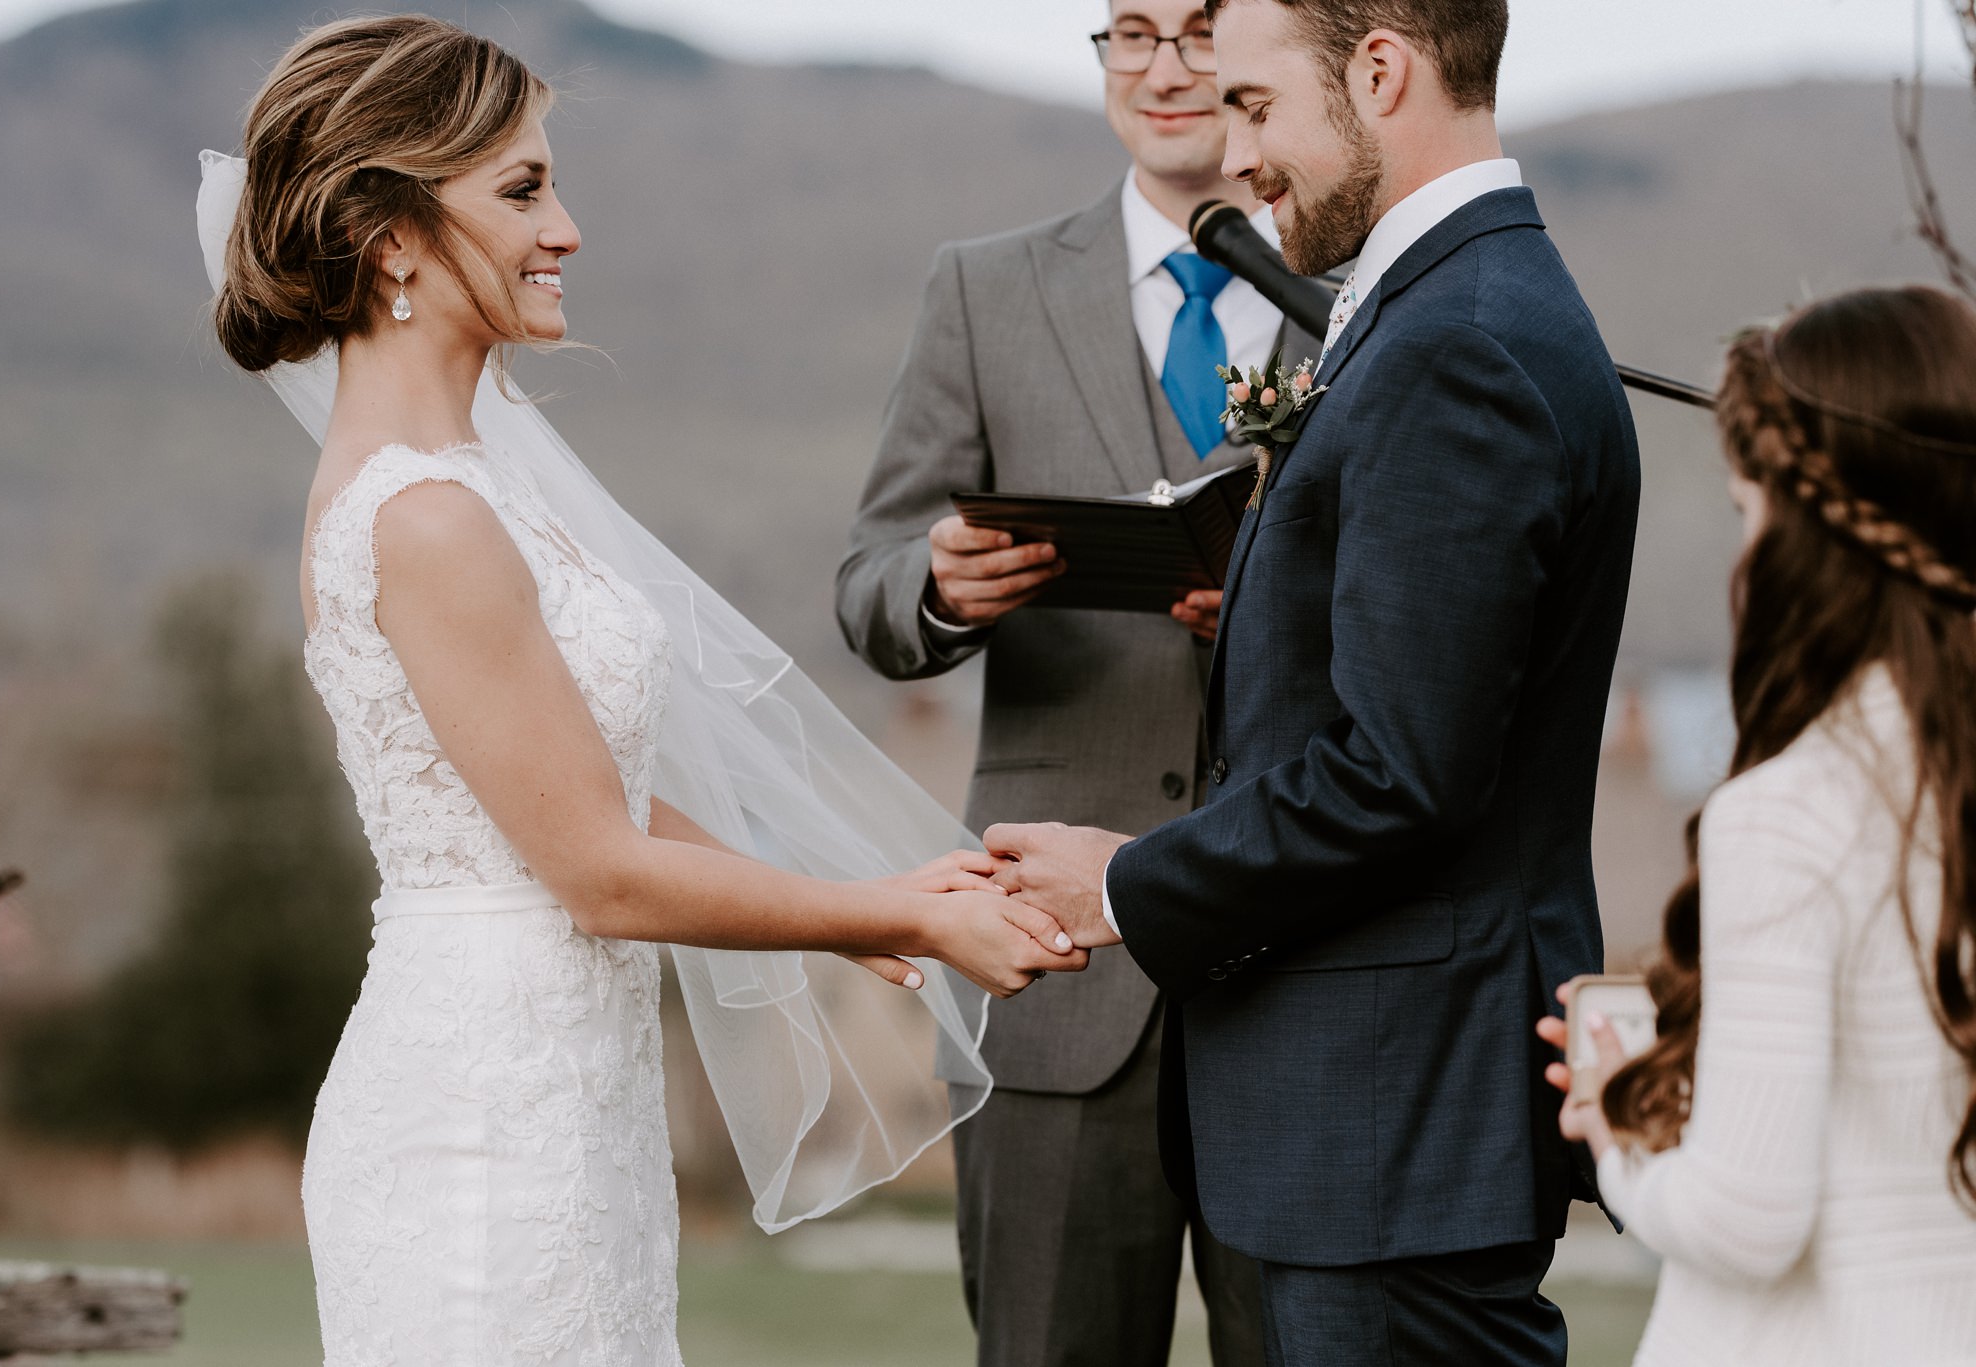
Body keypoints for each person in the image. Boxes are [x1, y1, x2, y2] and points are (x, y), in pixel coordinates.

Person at [202, 16, 1087, 1365]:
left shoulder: (474, 482)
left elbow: (591, 788)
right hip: (482, 1121)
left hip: (567, 1093)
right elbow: (598, 871)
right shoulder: (424, 516)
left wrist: (846, 918)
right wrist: (886, 903)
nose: (566, 227)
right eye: (520, 190)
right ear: (390, 237)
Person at [985, 0, 1640, 1362]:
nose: (1237, 158)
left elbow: (1400, 772)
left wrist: (1122, 881)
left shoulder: (1458, 337)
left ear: (1382, 72)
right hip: (1368, 1126)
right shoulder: (1441, 306)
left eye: (1258, 106)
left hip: (1393, 1126)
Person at [835, 1, 1320, 1359]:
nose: (1166, 69)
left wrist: (1289, 615)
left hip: (1295, 955)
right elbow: (866, 580)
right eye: (1131, 31)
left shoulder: (1353, 290)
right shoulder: (985, 288)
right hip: (1049, 973)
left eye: (1203, 29)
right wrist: (937, 584)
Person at [1539, 285, 1976, 1366]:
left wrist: (1610, 1128)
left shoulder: (1785, 812)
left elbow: (1744, 1214)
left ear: (1801, 530)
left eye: (1745, 511)